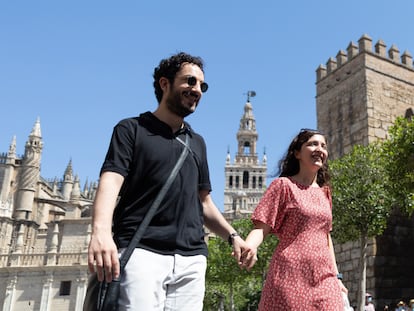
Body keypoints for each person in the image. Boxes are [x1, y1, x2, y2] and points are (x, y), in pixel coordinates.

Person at [86, 52, 248, 310]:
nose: (197, 90)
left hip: (192, 259)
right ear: (164, 83)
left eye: (201, 86)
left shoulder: (197, 143)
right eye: (190, 82)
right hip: (142, 251)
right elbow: (111, 181)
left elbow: (203, 202)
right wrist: (101, 232)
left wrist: (234, 237)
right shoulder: (131, 129)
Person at [240, 128, 347, 310]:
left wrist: (337, 278)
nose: (319, 149)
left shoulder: (325, 194)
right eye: (312, 144)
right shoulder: (283, 186)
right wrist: (249, 246)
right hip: (290, 275)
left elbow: (326, 238)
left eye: (323, 146)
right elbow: (261, 227)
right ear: (297, 153)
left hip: (324, 277)